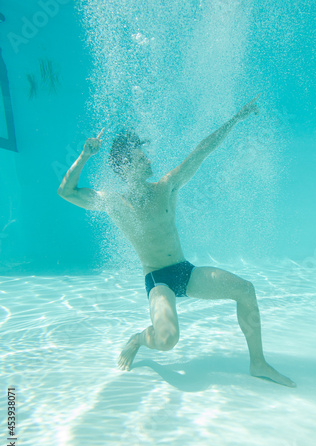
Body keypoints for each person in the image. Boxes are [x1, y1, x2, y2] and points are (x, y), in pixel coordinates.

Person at [57, 95, 296, 388]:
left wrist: (235, 119)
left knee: (245, 290)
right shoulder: (115, 203)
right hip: (159, 281)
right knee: (167, 339)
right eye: (140, 156)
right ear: (126, 165)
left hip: (186, 271)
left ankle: (258, 362)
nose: (148, 159)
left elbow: (202, 151)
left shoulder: (166, 186)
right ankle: (138, 338)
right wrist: (85, 156)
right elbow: (66, 192)